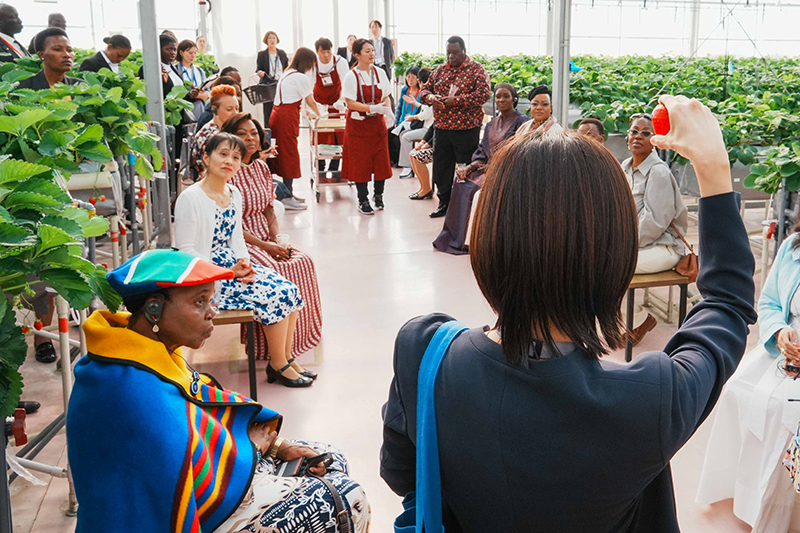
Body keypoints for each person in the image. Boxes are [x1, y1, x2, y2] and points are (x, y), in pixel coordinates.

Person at [381, 95, 757, 532]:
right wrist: (713, 167)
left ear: (486, 235)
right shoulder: (652, 397)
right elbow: (727, 304)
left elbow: (401, 473)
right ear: (613, 255)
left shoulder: (425, 351)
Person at [67, 248, 370, 532]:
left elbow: (196, 424)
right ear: (155, 308)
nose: (211, 312)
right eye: (200, 301)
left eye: (210, 301)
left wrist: (275, 446)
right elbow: (175, 471)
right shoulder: (130, 389)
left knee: (331, 458)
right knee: (347, 497)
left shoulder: (136, 352)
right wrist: (250, 448)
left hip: (205, 485)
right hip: (158, 518)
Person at [176, 133, 314, 388]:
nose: (230, 161)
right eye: (223, 154)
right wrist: (226, 271)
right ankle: (278, 365)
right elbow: (186, 251)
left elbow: (236, 237)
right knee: (275, 295)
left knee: (290, 289)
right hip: (207, 276)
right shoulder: (191, 198)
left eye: (236, 157)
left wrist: (244, 263)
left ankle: (285, 358)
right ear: (206, 157)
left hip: (232, 267)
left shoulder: (234, 192)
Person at [696, 230, 800, 531]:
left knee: (783, 410)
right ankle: (744, 496)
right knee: (737, 389)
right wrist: (779, 333)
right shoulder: (791, 248)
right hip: (785, 349)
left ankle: (779, 511)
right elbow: (768, 302)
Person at [223, 113, 323, 361]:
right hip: (241, 242)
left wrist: (278, 240)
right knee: (274, 270)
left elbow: (269, 209)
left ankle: (296, 341)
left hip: (265, 237)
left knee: (303, 262)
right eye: (242, 133)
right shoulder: (227, 172)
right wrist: (265, 247)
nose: (249, 138)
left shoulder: (260, 167)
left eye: (254, 133)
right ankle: (268, 350)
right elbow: (231, 225)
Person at [433, 83, 529, 255]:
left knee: (472, 189)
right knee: (460, 181)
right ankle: (456, 237)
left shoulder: (522, 122)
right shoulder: (492, 124)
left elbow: (519, 151)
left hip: (506, 170)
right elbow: (482, 150)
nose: (501, 100)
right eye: (498, 96)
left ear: (514, 99)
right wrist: (470, 167)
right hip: (487, 168)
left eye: (506, 96)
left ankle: (472, 239)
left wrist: (494, 167)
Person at [621, 113, 689, 342]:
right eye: (634, 131)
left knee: (611, 267)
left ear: (655, 140)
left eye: (646, 133)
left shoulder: (658, 172)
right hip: (636, 243)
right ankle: (632, 318)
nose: (638, 136)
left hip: (665, 247)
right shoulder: (625, 167)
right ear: (627, 136)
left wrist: (623, 245)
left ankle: (640, 318)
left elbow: (655, 222)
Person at [419, 35, 491, 218]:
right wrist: (431, 98)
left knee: (466, 167)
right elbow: (424, 91)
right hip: (442, 129)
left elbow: (483, 94)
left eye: (455, 53)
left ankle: (465, 205)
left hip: (466, 130)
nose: (451, 57)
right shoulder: (440, 71)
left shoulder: (476, 70)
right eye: (448, 53)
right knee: (442, 168)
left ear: (464, 51)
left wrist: (456, 101)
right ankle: (444, 203)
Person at [341, 38, 393, 216]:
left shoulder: (379, 73)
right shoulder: (351, 76)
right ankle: (363, 199)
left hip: (377, 125)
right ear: (357, 55)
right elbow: (350, 103)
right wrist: (371, 108)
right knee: (360, 164)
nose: (372, 54)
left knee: (381, 162)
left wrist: (388, 111)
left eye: (372, 50)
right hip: (358, 127)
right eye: (367, 51)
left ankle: (379, 195)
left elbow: (386, 95)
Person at [269, 47, 320, 198]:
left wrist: (306, 113)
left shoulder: (287, 73)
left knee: (282, 153)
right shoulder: (300, 77)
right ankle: (288, 195)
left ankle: (286, 192)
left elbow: (292, 98)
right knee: (288, 154)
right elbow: (310, 101)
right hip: (286, 117)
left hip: (278, 115)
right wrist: (321, 116)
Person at [312, 37, 349, 174]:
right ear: (317, 52)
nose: (326, 55)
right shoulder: (313, 63)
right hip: (319, 103)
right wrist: (314, 106)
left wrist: (342, 100)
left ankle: (334, 166)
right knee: (320, 134)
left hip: (336, 103)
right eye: (323, 52)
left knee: (338, 135)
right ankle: (319, 165)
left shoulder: (340, 61)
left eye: (328, 52)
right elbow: (309, 85)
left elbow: (346, 83)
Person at [189, 85, 240, 181]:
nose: (235, 113)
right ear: (214, 110)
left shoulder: (225, 130)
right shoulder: (210, 135)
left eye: (237, 108)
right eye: (229, 109)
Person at [17, 29, 81, 90]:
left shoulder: (80, 87)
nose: (67, 55)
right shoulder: (23, 87)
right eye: (57, 49)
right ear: (41, 55)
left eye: (69, 50)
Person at [398, 68, 433, 179]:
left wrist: (413, 117)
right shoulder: (429, 93)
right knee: (403, 134)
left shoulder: (428, 94)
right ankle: (408, 165)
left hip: (428, 130)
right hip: (426, 127)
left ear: (421, 82)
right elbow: (426, 109)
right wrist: (415, 103)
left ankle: (408, 167)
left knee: (405, 137)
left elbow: (426, 114)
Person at [389, 66, 424, 168]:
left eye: (413, 77)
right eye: (408, 77)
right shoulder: (405, 90)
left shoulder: (421, 92)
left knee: (399, 136)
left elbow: (422, 110)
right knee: (389, 133)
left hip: (414, 122)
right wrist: (396, 120)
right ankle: (392, 160)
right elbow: (399, 107)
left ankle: (400, 162)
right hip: (402, 121)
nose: (410, 80)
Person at [256, 30, 289, 126]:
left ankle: (280, 129)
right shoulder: (262, 54)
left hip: (280, 83)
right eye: (269, 38)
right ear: (266, 40)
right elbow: (258, 69)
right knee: (268, 109)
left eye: (274, 38)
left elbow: (287, 67)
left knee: (281, 107)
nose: (272, 40)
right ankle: (268, 130)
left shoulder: (282, 53)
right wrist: (260, 73)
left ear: (277, 40)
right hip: (267, 84)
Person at [176, 39, 209, 122]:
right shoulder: (176, 70)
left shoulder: (199, 71)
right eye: (190, 53)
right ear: (181, 53)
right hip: (184, 109)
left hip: (200, 105)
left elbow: (207, 89)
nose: (193, 56)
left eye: (195, 53)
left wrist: (205, 94)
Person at [138, 33, 180, 98]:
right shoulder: (148, 68)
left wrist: (192, 94)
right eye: (169, 49)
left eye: (174, 50)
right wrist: (164, 82)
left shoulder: (172, 67)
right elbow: (152, 95)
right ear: (158, 49)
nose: (173, 53)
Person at [408, 126, 434, 200]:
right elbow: (433, 127)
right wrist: (423, 142)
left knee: (417, 157)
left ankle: (427, 189)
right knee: (412, 154)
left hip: (444, 145)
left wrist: (428, 144)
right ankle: (423, 187)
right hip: (435, 143)